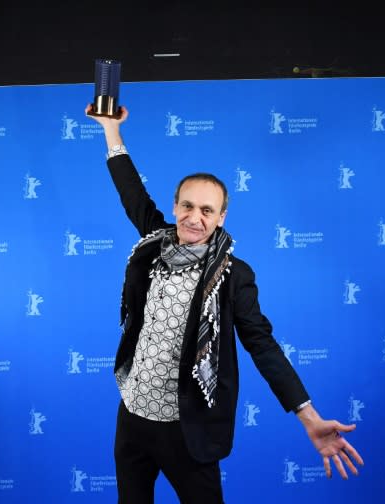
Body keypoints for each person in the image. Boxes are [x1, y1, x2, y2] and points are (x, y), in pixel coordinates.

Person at [86, 104, 363, 504]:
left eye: (206, 210)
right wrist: (111, 130)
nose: (194, 218)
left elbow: (262, 345)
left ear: (221, 216)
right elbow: (132, 192)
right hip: (132, 418)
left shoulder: (234, 274)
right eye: (187, 206)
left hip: (188, 428)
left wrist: (308, 416)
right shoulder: (155, 243)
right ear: (176, 205)